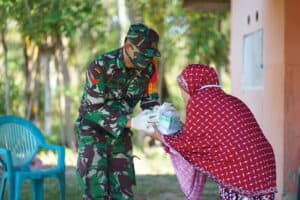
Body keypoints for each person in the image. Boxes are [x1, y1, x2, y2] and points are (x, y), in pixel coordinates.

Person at [149, 64, 277, 200]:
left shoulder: (198, 101)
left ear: (189, 86)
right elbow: (205, 138)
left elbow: (191, 145)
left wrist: (161, 135)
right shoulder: (231, 100)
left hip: (243, 173)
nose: (182, 95)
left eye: (182, 90)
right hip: (264, 168)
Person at [76, 23, 161, 200]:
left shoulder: (149, 69)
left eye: (151, 55)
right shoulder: (100, 66)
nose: (147, 60)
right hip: (93, 132)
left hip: (120, 134)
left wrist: (160, 118)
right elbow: (93, 108)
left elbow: (150, 102)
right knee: (96, 191)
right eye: (144, 54)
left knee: (123, 191)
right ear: (128, 46)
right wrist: (131, 122)